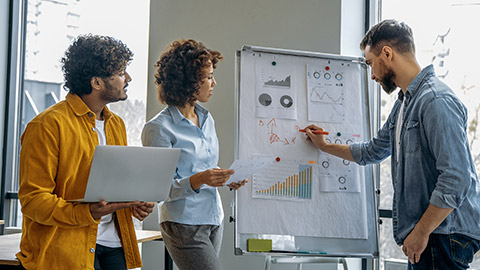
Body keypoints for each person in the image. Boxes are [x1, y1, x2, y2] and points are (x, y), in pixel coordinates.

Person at [303, 19, 480, 269]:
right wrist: (324, 146)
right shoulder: (405, 102)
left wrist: (420, 232)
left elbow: (456, 178)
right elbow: (373, 151)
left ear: (387, 53)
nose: (372, 75)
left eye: (371, 64)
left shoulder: (436, 101)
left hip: (442, 235)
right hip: (430, 234)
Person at [17, 34, 154, 270]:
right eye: (121, 73)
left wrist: (132, 203)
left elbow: (111, 185)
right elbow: (33, 201)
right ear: (97, 82)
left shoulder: (116, 124)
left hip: (114, 247)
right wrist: (87, 212)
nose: (128, 78)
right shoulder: (47, 125)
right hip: (65, 252)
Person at [141, 39, 247, 270]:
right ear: (189, 82)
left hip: (212, 217)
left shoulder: (206, 119)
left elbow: (203, 168)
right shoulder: (159, 128)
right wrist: (200, 179)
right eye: (208, 77)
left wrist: (224, 177)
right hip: (183, 221)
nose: (214, 83)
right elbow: (158, 189)